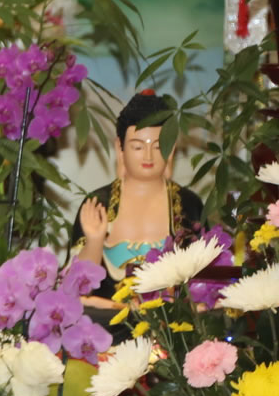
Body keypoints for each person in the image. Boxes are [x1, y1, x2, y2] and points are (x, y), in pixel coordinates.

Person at [70, 90, 204, 306]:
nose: (148, 156)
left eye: (158, 146)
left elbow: (208, 284)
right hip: (108, 320)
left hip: (174, 321)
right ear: (120, 148)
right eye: (138, 147)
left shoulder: (189, 205)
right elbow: (74, 290)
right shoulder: (99, 204)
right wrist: (94, 241)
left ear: (170, 150)